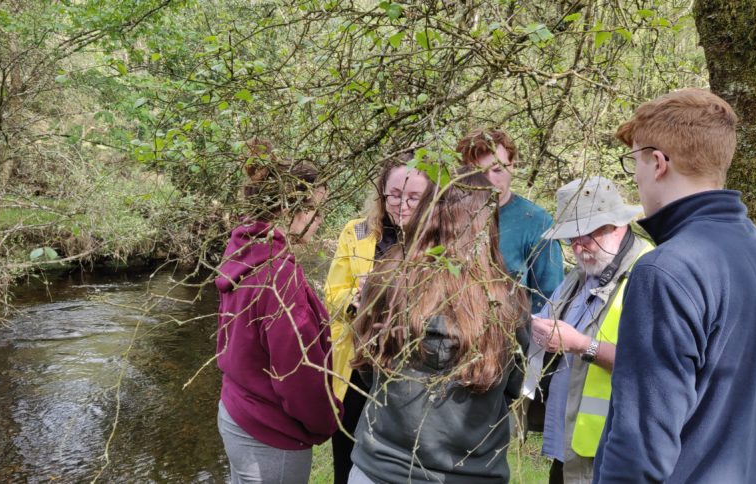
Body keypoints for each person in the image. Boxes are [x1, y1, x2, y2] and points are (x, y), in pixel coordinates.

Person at [592, 88, 756, 483]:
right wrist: (743, 439)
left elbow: (640, 446)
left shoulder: (665, 270)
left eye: (634, 162)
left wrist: (712, 449)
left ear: (658, 163)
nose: (635, 178)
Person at [347, 171, 529, 483]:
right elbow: (512, 386)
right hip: (461, 471)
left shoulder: (389, 275)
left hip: (380, 467)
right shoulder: (507, 298)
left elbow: (367, 363)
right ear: (488, 223)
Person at [215, 139, 341, 484]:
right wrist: (328, 419)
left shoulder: (243, 247)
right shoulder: (278, 274)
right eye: (316, 209)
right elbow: (296, 370)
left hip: (237, 410)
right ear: (289, 208)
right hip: (269, 432)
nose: (320, 221)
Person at [519, 177, 651, 484]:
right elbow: (546, 318)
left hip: (614, 454)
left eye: (586, 237)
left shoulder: (648, 274)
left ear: (616, 226)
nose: (578, 247)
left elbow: (654, 367)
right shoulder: (581, 274)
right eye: (570, 239)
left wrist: (581, 345)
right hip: (571, 449)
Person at [323, 152, 432, 483]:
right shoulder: (356, 232)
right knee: (347, 455)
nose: (402, 204)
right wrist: (362, 303)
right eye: (395, 195)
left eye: (414, 197)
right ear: (382, 193)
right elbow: (333, 293)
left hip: (410, 373)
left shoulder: (436, 241)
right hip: (356, 367)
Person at [457, 128, 563, 313]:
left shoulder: (537, 222)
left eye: (497, 170)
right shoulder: (448, 216)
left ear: (512, 165)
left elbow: (549, 299)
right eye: (478, 172)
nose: (489, 181)